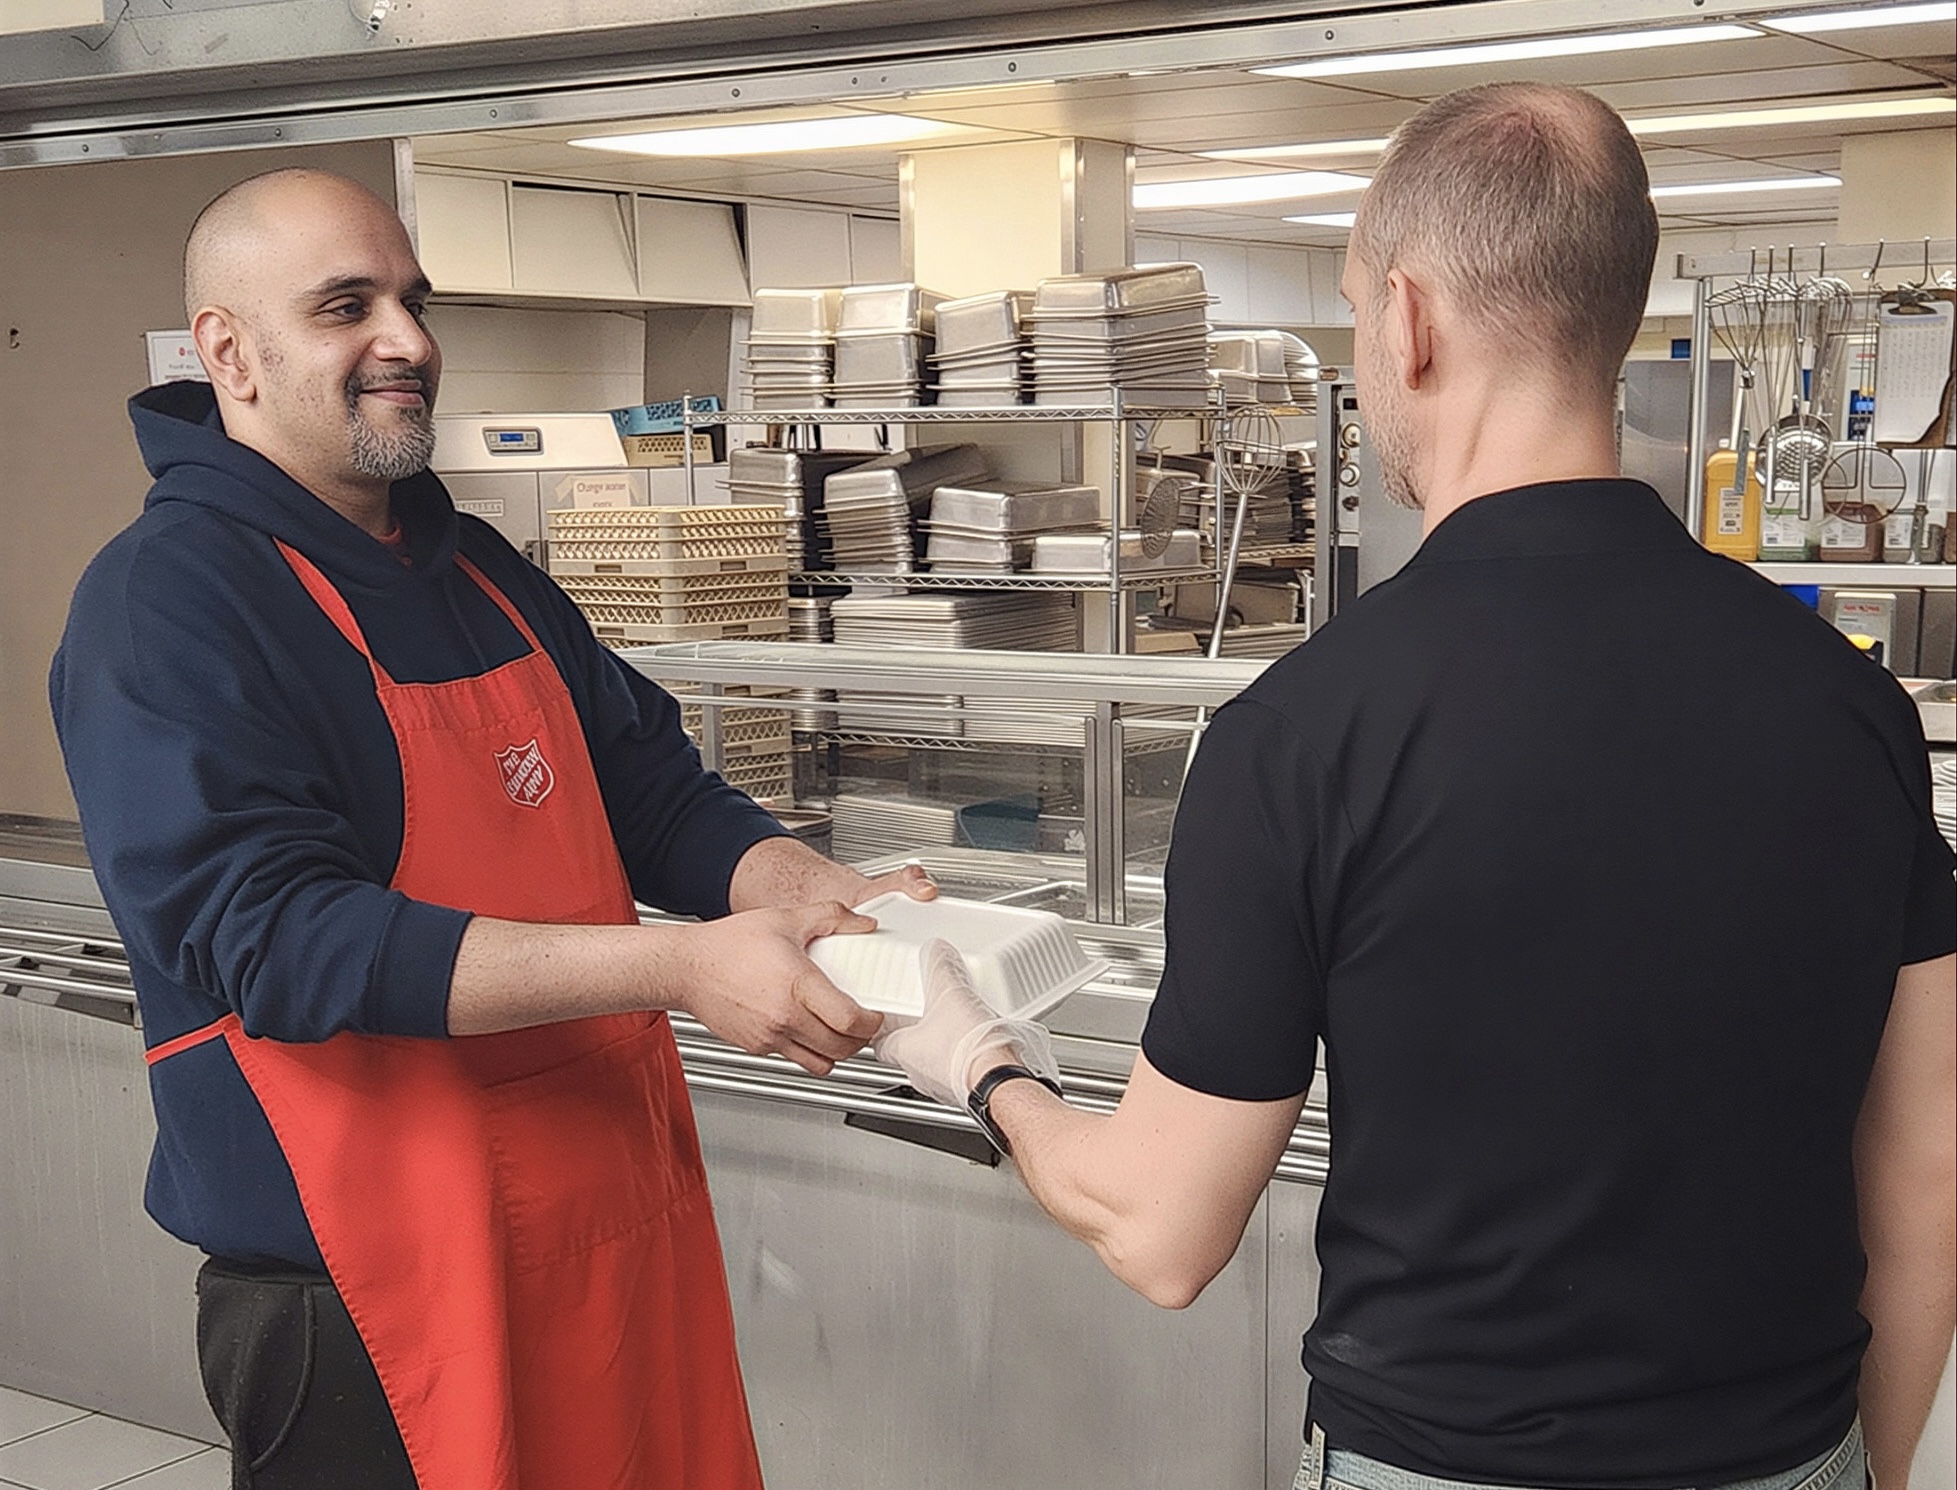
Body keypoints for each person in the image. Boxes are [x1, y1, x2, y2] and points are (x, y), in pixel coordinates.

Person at [876, 82, 1956, 1490]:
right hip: (1786, 1453)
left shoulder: (1301, 734)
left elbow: (1159, 1228)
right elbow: (1920, 1167)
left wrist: (980, 1063)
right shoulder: (1854, 710)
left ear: (1407, 318)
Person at [50, 167, 927, 1490]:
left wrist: (788, 880)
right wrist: (680, 964)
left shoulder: (476, 569)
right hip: (363, 1291)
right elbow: (282, 942)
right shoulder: (170, 600)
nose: (405, 339)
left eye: (413, 298)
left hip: (604, 1235)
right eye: (347, 306)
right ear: (227, 350)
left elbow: (650, 788)